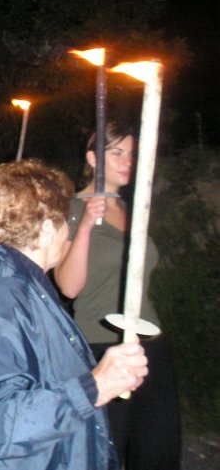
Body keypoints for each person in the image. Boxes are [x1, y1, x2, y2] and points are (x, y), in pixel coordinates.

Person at [0, 159, 149, 470]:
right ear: (47, 229)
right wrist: (94, 387)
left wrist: (105, 380)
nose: (67, 232)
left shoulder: (27, 289)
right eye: (65, 222)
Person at [53, 122, 181, 470]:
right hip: (103, 344)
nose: (128, 161)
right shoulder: (74, 207)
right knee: (104, 453)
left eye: (131, 153)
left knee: (157, 448)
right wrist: (83, 228)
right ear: (93, 158)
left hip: (149, 342)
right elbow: (68, 286)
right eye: (117, 152)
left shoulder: (131, 208)